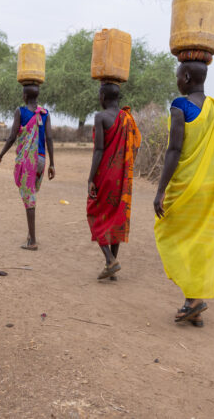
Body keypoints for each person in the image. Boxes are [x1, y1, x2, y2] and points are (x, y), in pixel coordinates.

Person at [153, 60, 214, 328]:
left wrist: (161, 190)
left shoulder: (180, 105)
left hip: (185, 187)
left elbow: (174, 150)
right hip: (208, 189)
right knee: (198, 244)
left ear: (185, 76)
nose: (176, 81)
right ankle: (194, 301)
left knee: (170, 232)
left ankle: (193, 301)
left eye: (177, 76)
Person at [86, 82, 141, 280]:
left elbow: (99, 149)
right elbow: (136, 145)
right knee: (116, 216)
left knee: (95, 212)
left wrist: (91, 177)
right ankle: (112, 268)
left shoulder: (100, 117)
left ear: (102, 96)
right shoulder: (127, 118)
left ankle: (110, 260)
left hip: (105, 175)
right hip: (122, 176)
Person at [0, 82, 55, 250]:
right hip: (41, 160)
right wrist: (52, 164)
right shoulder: (45, 113)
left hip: (28, 161)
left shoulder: (20, 111)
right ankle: (30, 234)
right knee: (32, 195)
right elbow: (49, 139)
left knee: (29, 199)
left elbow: (12, 136)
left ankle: (32, 240)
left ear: (25, 96)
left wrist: (0, 155)